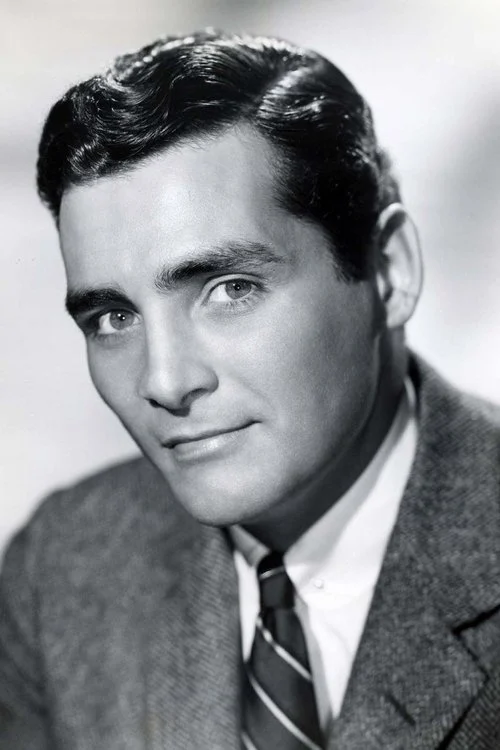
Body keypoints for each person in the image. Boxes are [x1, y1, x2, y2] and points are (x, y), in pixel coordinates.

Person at [1, 30, 499, 750]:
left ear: (389, 271)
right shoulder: (62, 568)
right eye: (113, 318)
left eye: (230, 289)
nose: (165, 382)